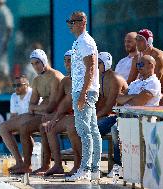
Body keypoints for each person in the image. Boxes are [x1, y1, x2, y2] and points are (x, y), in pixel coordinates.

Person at [65, 11, 101, 181]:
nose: (69, 25)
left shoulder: (85, 41)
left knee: (84, 130)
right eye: (69, 22)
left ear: (81, 22)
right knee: (93, 130)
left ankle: (85, 168)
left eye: (72, 22)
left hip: (84, 91)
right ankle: (95, 169)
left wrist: (83, 93)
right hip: (84, 89)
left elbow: (91, 67)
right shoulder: (81, 41)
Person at [17, 49, 64, 174]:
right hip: (45, 114)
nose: (35, 66)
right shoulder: (37, 80)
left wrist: (38, 108)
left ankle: (48, 165)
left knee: (44, 126)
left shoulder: (56, 77)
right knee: (24, 128)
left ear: (44, 61)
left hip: (59, 114)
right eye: (32, 64)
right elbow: (31, 105)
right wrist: (40, 107)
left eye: (37, 63)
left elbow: (51, 106)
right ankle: (26, 165)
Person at [40, 50, 82, 176]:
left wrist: (55, 118)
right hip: (69, 116)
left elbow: (69, 101)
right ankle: (57, 165)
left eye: (70, 60)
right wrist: (46, 111)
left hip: (82, 115)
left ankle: (78, 165)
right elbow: (56, 102)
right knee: (48, 127)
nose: (67, 63)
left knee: (71, 127)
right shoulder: (65, 80)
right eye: (65, 60)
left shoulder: (83, 78)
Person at [96, 52, 128, 177]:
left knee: (93, 128)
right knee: (84, 127)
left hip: (121, 116)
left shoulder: (115, 79)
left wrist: (94, 117)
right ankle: (90, 164)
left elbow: (110, 106)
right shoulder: (101, 77)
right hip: (111, 116)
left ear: (106, 63)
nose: (96, 66)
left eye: (99, 63)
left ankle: (118, 165)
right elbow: (99, 102)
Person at [0, 75, 32, 172]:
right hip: (22, 122)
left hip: (34, 121)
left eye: (19, 85)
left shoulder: (33, 93)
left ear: (27, 85)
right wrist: (12, 126)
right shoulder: (14, 96)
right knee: (3, 128)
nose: (16, 88)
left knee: (23, 129)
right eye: (14, 85)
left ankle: (27, 163)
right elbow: (13, 116)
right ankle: (19, 162)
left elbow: (37, 113)